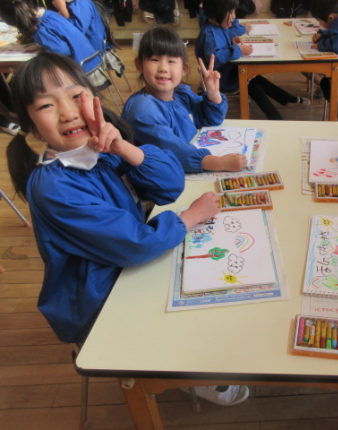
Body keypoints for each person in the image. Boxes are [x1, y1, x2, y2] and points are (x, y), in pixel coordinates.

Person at [6, 52, 249, 406]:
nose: (68, 113)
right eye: (46, 105)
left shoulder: (99, 150)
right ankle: (173, 373)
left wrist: (124, 147)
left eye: (75, 96)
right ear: (29, 122)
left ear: (94, 98)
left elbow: (170, 185)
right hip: (99, 299)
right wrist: (188, 218)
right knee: (203, 298)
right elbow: (134, 244)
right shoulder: (53, 187)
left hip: (125, 270)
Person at [122, 27, 246, 174]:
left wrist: (213, 94)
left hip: (186, 169)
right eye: (154, 60)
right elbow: (172, 151)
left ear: (184, 69)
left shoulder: (181, 94)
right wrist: (219, 163)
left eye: (171, 61)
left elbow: (209, 119)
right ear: (139, 65)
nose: (163, 68)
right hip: (159, 178)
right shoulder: (142, 109)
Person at [195, 0, 310, 121]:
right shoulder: (209, 33)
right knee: (253, 85)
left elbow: (222, 45)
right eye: (231, 12)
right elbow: (215, 58)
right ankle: (277, 117)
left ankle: (286, 98)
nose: (234, 16)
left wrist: (232, 42)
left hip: (228, 72)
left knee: (256, 77)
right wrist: (237, 50)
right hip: (221, 79)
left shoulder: (217, 27)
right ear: (219, 13)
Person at [0, 0, 109, 90]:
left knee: (37, 80)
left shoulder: (40, 30)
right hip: (90, 60)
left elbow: (62, 50)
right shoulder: (48, 14)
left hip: (81, 71)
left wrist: (44, 52)